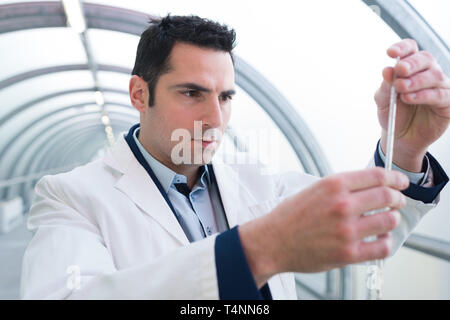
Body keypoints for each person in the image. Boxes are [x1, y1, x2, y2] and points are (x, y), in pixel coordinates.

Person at [20, 14, 449, 299]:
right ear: (139, 94)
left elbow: (367, 228)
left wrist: (405, 149)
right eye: (192, 93)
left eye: (225, 97)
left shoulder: (257, 181)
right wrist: (257, 251)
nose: (214, 118)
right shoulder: (70, 197)